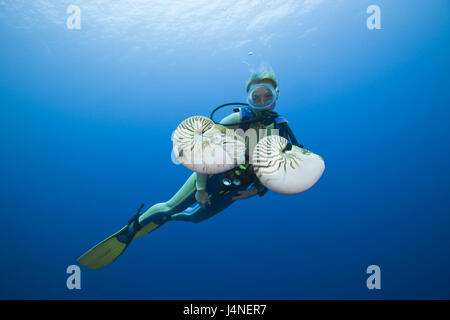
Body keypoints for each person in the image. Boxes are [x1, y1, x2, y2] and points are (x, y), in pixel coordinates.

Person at [78, 70, 303, 270]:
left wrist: (258, 190)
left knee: (195, 218)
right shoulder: (233, 120)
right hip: (209, 176)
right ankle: (132, 227)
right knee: (169, 205)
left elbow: (276, 167)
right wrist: (201, 188)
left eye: (268, 96)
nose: (262, 101)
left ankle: (170, 218)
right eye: (256, 96)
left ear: (276, 96)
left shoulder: (281, 131)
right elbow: (205, 155)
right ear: (248, 97)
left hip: (237, 188)